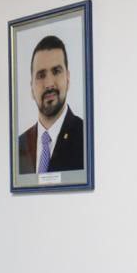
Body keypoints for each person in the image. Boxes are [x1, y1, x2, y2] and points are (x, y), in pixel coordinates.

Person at [18, 35, 85, 174]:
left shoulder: (86, 137)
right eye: (41, 75)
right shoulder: (19, 146)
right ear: (31, 88)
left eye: (56, 72)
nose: (49, 84)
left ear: (68, 79)